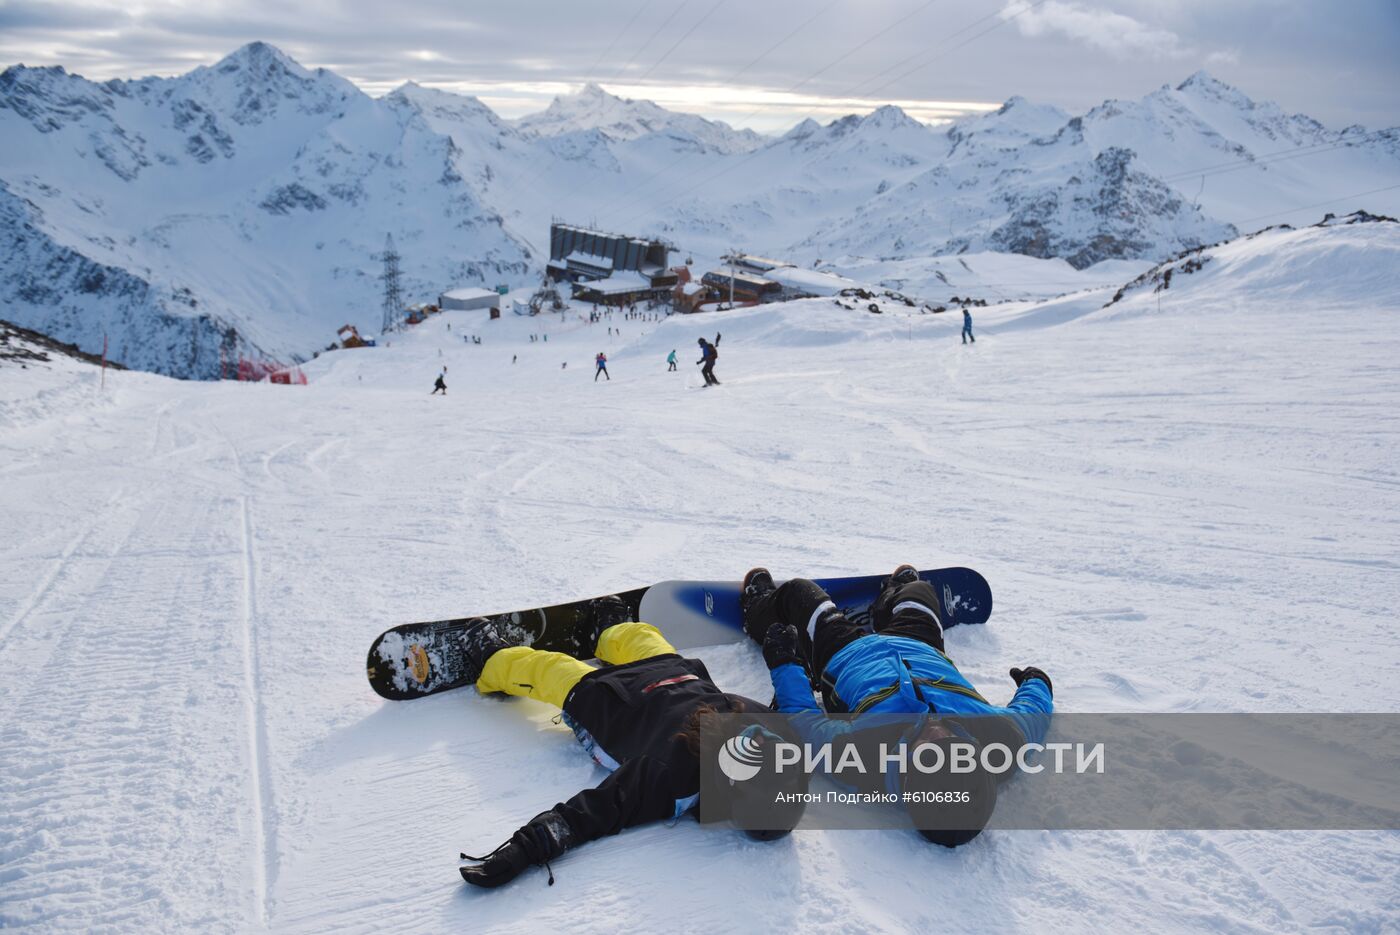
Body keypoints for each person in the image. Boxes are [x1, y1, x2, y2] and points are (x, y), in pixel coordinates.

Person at [456, 599, 803, 888]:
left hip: (609, 703)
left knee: (550, 668)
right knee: (642, 637)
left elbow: (598, 810)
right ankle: (610, 629)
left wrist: (529, 846)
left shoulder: (671, 777)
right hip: (672, 673)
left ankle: (491, 658)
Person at [739, 565, 1053, 847]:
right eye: (952, 741)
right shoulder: (1002, 742)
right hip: (922, 646)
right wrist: (1037, 681)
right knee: (919, 591)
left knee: (799, 592)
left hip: (845, 654)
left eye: (928, 750)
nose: (936, 728)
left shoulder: (861, 759)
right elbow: (1033, 717)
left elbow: (804, 723)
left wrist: (785, 663)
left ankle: (758, 605)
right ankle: (890, 601)